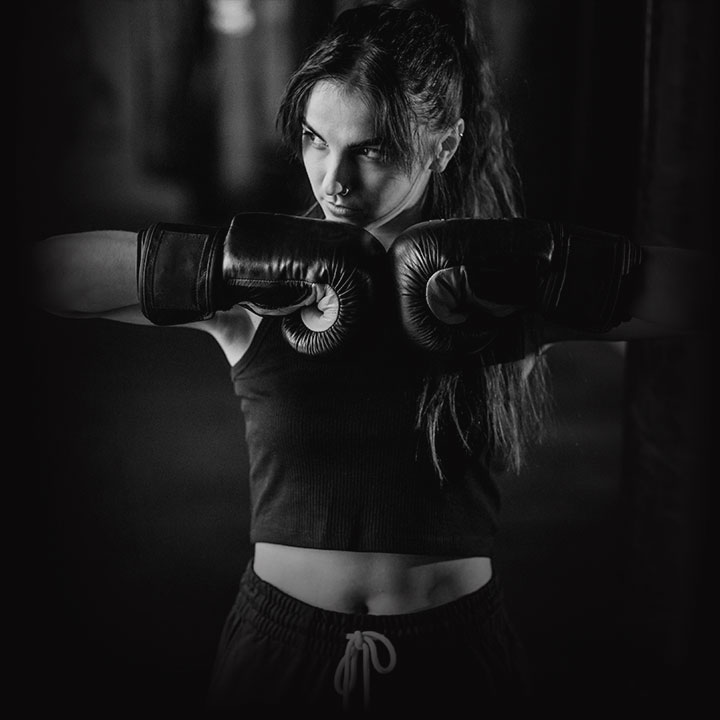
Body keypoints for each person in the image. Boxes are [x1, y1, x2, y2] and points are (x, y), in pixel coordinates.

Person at [31, 0, 708, 714]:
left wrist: (537, 266)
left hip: (453, 657)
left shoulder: (497, 290)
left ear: (445, 144)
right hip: (279, 652)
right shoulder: (261, 287)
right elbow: (48, 277)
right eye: (316, 140)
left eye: (371, 150)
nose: (332, 180)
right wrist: (221, 263)